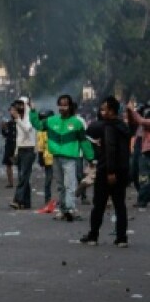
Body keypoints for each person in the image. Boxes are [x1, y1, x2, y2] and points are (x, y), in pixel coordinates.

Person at [30, 94, 92, 222]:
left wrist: (91, 157)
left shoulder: (77, 123)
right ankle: (64, 209)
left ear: (70, 106)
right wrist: (32, 110)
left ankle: (70, 208)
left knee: (69, 184)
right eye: (61, 105)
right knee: (60, 185)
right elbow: (37, 125)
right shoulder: (52, 121)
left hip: (70, 158)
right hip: (56, 157)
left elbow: (83, 141)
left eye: (65, 105)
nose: (63, 107)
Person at [79, 96, 130, 247]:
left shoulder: (107, 127)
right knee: (120, 205)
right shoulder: (123, 127)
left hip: (108, 170)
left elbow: (110, 149)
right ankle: (121, 238)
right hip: (122, 170)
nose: (101, 112)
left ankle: (93, 236)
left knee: (99, 205)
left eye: (104, 109)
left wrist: (110, 171)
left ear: (111, 111)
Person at [9, 98, 37, 209]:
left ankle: (18, 199)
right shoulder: (19, 119)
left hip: (29, 149)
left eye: (21, 104)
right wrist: (15, 152)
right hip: (21, 149)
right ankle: (26, 202)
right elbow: (19, 138)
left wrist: (17, 119)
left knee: (23, 176)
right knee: (24, 177)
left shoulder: (30, 117)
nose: (18, 107)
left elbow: (27, 129)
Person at [126, 103, 150, 210]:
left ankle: (142, 200)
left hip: (147, 148)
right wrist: (130, 112)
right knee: (134, 172)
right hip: (139, 145)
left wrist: (132, 110)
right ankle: (142, 195)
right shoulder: (142, 116)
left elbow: (141, 121)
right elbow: (133, 121)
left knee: (144, 175)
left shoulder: (145, 121)